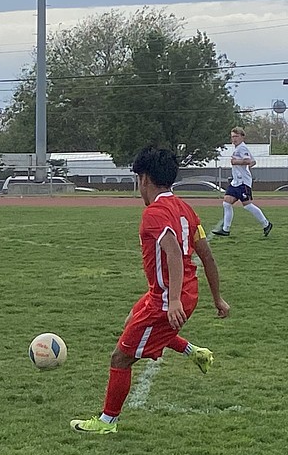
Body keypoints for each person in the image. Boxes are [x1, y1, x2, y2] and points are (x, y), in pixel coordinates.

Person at [71, 145, 228, 435]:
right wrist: (217, 298)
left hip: (168, 297)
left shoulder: (154, 213)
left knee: (120, 358)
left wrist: (174, 301)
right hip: (179, 291)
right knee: (133, 321)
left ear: (144, 179)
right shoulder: (185, 209)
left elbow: (172, 251)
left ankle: (107, 422)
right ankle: (195, 352)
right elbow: (206, 255)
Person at [213, 127, 272, 237]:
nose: (234, 139)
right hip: (236, 182)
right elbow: (253, 162)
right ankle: (225, 229)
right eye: (232, 137)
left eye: (236, 136)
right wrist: (244, 168)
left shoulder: (242, 148)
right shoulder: (239, 148)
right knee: (226, 203)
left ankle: (266, 224)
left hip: (243, 182)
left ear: (242, 137)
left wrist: (236, 162)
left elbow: (248, 161)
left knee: (247, 205)